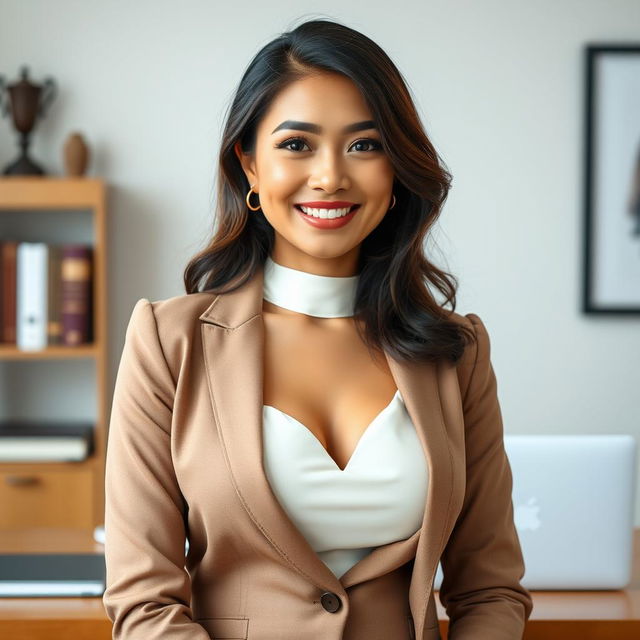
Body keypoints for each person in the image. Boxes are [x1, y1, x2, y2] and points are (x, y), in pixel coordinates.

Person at [102, 17, 533, 640]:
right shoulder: (170, 343)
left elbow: (490, 590)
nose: (331, 176)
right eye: (297, 144)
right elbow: (144, 604)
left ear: (396, 170)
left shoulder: (456, 352)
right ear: (249, 164)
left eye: (365, 145)